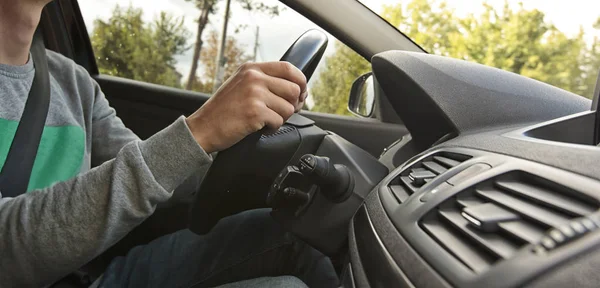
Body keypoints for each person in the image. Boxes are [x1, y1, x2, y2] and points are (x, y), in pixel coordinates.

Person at [0, 0, 338, 287]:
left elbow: (153, 179)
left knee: (296, 232)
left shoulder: (71, 81)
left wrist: (234, 129)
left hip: (91, 275)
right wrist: (200, 131)